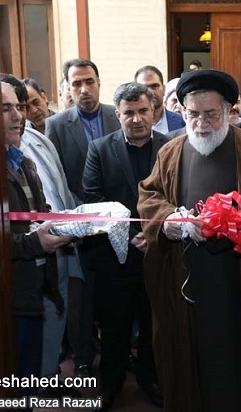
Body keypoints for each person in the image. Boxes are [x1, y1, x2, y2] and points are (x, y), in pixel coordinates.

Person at [137, 69, 241, 412]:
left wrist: (239, 224)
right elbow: (149, 196)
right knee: (190, 362)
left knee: (237, 366)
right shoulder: (171, 152)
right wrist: (168, 221)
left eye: (211, 114)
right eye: (193, 114)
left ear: (229, 110)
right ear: (182, 111)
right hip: (187, 279)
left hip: (240, 281)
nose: (201, 123)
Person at [82, 82, 168, 410]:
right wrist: (128, 232)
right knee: (114, 327)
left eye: (143, 111)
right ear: (117, 115)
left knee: (153, 325)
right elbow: (92, 198)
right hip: (114, 259)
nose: (137, 119)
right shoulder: (99, 149)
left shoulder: (171, 147)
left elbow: (179, 194)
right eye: (128, 113)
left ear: (153, 111)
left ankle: (150, 379)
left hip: (158, 254)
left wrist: (153, 232)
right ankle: (111, 384)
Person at [45, 58, 121, 379]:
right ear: (67, 88)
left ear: (99, 83)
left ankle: (117, 355)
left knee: (114, 293)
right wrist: (84, 215)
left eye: (89, 81)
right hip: (78, 224)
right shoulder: (56, 125)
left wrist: (113, 213)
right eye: (76, 83)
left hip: (118, 221)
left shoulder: (117, 115)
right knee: (81, 299)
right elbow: (58, 176)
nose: (84, 89)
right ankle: (83, 358)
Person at [1, 81, 72, 409]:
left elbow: (41, 214)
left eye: (19, 106)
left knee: (29, 381)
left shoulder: (23, 161)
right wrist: (34, 242)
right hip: (11, 296)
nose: (18, 115)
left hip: (38, 284)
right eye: (5, 109)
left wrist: (70, 224)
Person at [134, 65, 185, 134]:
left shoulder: (182, 122)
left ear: (164, 89)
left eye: (154, 86)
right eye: (144, 88)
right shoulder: (130, 124)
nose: (150, 92)